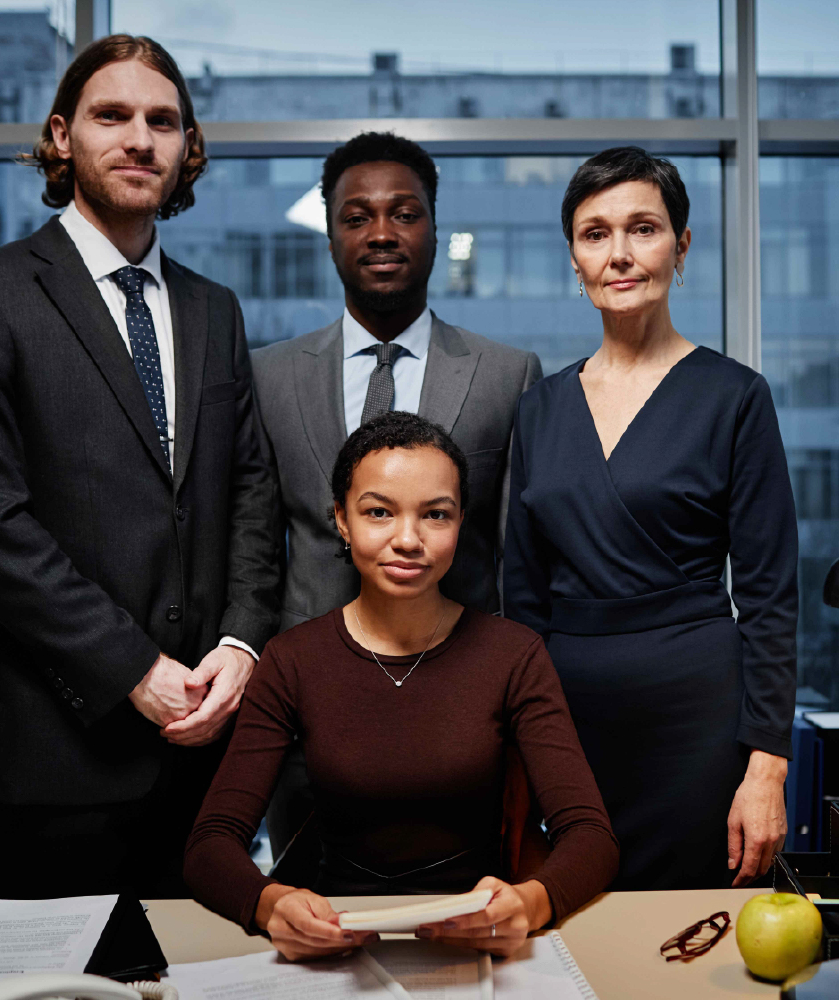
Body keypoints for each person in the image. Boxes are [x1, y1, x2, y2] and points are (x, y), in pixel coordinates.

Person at [0, 35, 278, 898]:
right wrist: (134, 672)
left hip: (206, 744)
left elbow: (251, 493)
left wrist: (239, 646)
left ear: (187, 148)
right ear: (60, 135)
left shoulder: (213, 308)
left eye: (163, 121)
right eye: (111, 115)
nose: (139, 138)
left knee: (208, 981)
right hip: (60, 749)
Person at [185, 411, 618, 961]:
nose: (408, 539)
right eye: (379, 513)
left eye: (436, 514)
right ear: (341, 519)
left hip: (477, 935)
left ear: (462, 522)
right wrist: (271, 905)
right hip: (332, 939)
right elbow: (210, 843)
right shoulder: (292, 660)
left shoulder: (514, 655)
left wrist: (528, 905)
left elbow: (590, 835)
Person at [502, 146, 798, 891]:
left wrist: (765, 769)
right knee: (571, 933)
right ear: (573, 257)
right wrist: (524, 749)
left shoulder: (736, 397)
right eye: (595, 234)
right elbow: (523, 602)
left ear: (683, 245)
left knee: (689, 940)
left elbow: (768, 597)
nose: (621, 253)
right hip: (566, 722)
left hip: (697, 720)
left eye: (644, 228)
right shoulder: (538, 408)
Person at [252, 131, 542, 854]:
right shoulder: (268, 377)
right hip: (309, 721)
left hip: (463, 717)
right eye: (357, 216)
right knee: (307, 932)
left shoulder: (507, 373)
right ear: (330, 235)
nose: (381, 232)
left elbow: (516, 560)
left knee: (463, 937)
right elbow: (255, 549)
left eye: (404, 213)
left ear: (436, 230)